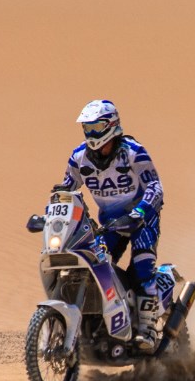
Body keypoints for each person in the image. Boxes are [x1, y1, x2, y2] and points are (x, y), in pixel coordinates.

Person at [56, 99, 165, 350]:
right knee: (95, 268)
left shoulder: (133, 152)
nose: (91, 134)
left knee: (142, 267)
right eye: (87, 129)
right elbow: (66, 190)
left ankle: (148, 328)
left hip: (142, 220)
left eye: (96, 128)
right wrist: (53, 210)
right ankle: (101, 324)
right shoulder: (79, 158)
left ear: (112, 126)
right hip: (110, 225)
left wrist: (140, 212)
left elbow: (155, 186)